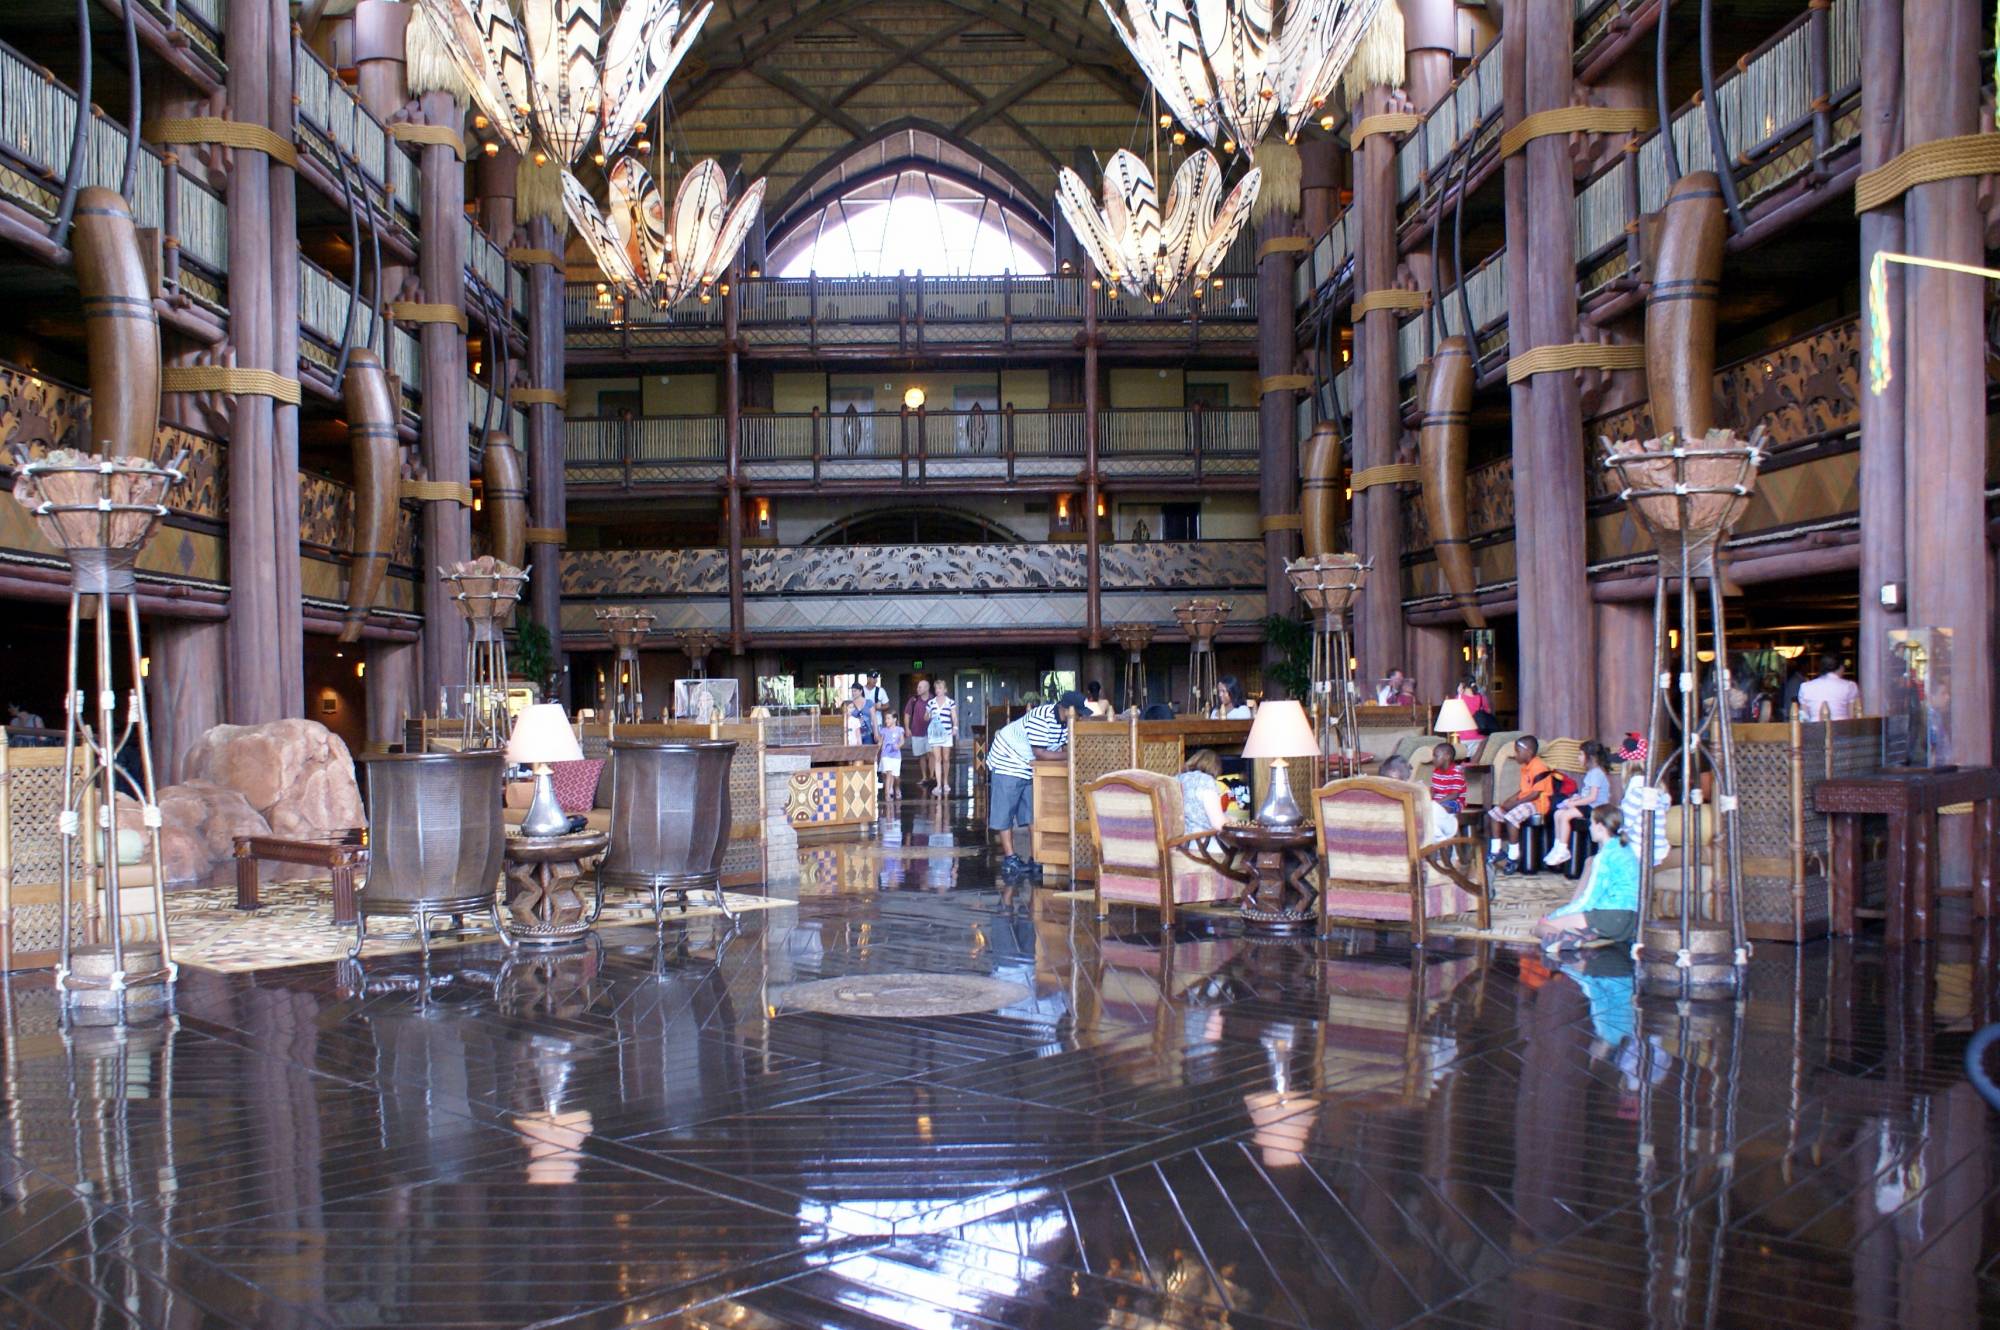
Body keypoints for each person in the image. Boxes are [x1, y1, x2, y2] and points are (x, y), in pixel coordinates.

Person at [987, 690, 1085, 879]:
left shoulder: (1067, 722)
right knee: (1005, 810)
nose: (1080, 717)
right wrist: (1072, 754)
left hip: (1030, 765)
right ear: (1066, 709)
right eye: (1078, 712)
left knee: (1033, 811)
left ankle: (1036, 856)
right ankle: (1010, 859)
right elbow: (1040, 753)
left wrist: (1070, 751)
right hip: (1008, 759)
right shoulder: (1042, 718)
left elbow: (1063, 747)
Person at [1534, 806, 1641, 951]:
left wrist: (1553, 916)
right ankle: (1583, 933)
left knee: (1542, 927)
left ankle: (1568, 939)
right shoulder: (1625, 848)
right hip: (1631, 921)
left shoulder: (1604, 856)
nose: (1589, 828)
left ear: (1600, 827)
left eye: (1591, 823)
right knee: (1576, 920)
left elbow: (1588, 899)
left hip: (1611, 916)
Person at [1485, 734, 1554, 874]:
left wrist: (1516, 804)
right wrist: (1509, 801)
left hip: (1538, 804)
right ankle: (1496, 850)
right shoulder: (1525, 767)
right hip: (1527, 801)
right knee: (1495, 813)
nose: (1515, 754)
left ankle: (1513, 855)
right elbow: (1524, 790)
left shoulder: (1539, 766)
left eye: (1517, 751)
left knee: (1511, 817)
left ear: (1528, 752)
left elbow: (1535, 793)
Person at [1541, 741, 1614, 868]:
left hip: (1596, 808)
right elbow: (1587, 795)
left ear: (1590, 757)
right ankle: (1557, 846)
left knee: (1565, 816)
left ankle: (1564, 849)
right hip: (1589, 805)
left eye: (1580, 754)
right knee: (1557, 813)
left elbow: (1592, 797)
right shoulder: (1592, 773)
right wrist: (1575, 799)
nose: (1578, 758)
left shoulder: (1596, 773)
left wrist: (1574, 804)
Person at [1382, 753, 1455, 845]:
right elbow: (1448, 830)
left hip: (1392, 849)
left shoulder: (1376, 804)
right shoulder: (1423, 802)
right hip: (1423, 848)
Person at [1177, 748, 1227, 851]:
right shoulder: (1206, 781)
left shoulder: (1176, 779)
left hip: (1179, 845)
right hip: (1204, 846)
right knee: (1246, 851)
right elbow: (1219, 824)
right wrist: (1233, 821)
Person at [1797, 652, 1860, 721]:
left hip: (1814, 729)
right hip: (1842, 728)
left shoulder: (1806, 687)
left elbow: (1804, 718)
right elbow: (1851, 715)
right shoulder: (1849, 686)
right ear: (1841, 667)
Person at [924, 679, 957, 795]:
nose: (938, 690)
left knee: (946, 758)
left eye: (940, 688)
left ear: (945, 690)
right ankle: (938, 785)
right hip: (935, 733)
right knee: (937, 758)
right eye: (936, 688)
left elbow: (954, 716)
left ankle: (945, 782)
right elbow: (926, 718)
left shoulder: (950, 702)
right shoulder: (931, 703)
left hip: (947, 732)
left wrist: (955, 727)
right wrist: (927, 715)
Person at [903, 678, 931, 788]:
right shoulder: (913, 700)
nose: (917, 689)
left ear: (927, 688)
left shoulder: (933, 699)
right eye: (918, 687)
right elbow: (907, 714)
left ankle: (932, 776)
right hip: (917, 731)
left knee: (931, 754)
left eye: (920, 687)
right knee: (921, 756)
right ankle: (924, 777)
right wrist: (907, 728)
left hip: (931, 733)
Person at [1428, 742, 1467, 815]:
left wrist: (1437, 803)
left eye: (1436, 756)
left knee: (1442, 809)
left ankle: (1448, 825)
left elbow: (1455, 795)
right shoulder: (1436, 771)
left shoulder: (1456, 772)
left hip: (1453, 802)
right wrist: (1429, 799)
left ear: (1447, 756)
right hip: (1437, 802)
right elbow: (1433, 789)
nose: (1433, 759)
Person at [876, 705, 904, 803]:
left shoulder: (899, 730)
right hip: (886, 755)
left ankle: (897, 788)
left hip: (896, 756)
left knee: (896, 776)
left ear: (894, 719)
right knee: (888, 773)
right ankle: (887, 793)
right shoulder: (883, 730)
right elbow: (880, 741)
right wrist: (876, 751)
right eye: (885, 719)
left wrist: (898, 746)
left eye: (888, 718)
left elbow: (902, 741)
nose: (886, 721)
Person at [1453, 676, 1492, 742]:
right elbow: (1488, 711)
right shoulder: (1481, 697)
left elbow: (1455, 714)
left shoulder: (1459, 698)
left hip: (1464, 735)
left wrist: (1459, 693)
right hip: (1481, 734)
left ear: (1462, 685)